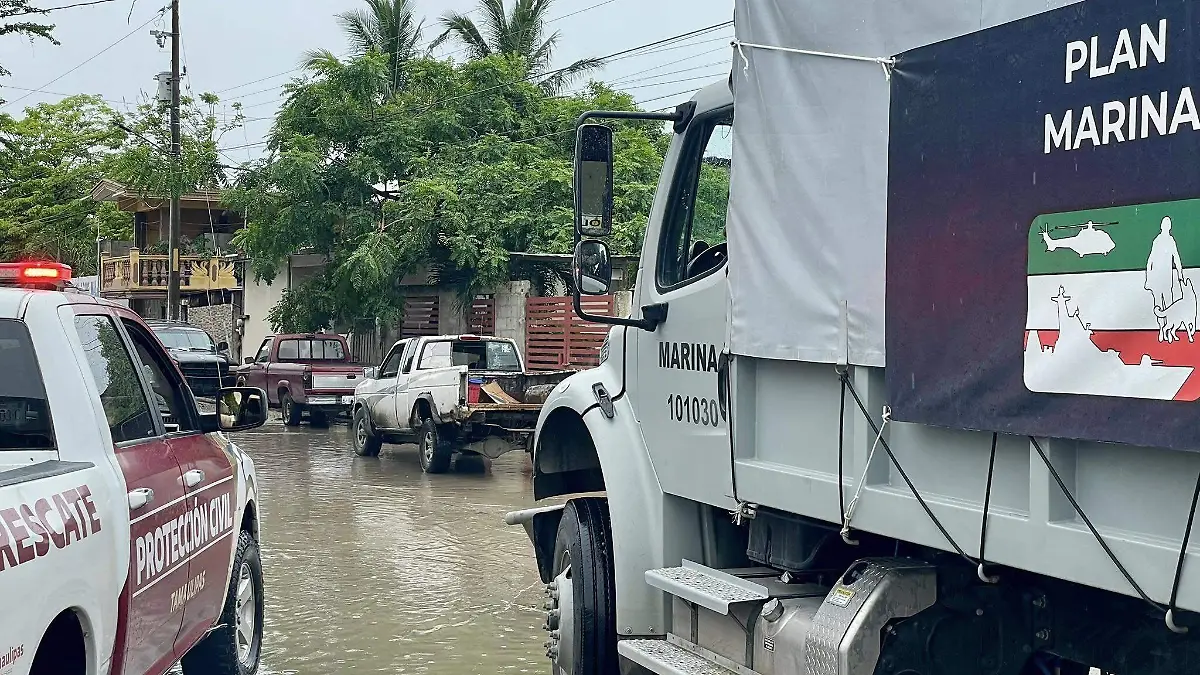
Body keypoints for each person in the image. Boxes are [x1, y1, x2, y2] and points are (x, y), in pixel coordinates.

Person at [1146, 216, 1184, 311]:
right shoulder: (1157, 241)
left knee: (1168, 304)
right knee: (1158, 305)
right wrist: (1148, 279)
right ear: (1161, 226)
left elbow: (1177, 258)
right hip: (1157, 277)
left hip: (1166, 278)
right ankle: (1162, 325)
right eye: (1165, 225)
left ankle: (1167, 325)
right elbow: (1150, 260)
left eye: (1168, 225)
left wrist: (1180, 274)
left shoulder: (1171, 241)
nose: (1167, 227)